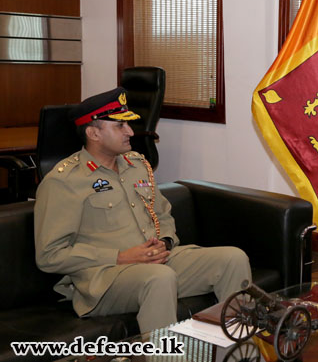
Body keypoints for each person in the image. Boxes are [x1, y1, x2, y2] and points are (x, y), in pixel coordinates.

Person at [34, 87, 251, 333]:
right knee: (158, 278)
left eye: (129, 125)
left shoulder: (136, 165)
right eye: (120, 126)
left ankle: (238, 348)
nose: (130, 131)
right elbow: (49, 255)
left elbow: (162, 214)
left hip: (157, 263)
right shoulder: (64, 181)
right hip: (106, 278)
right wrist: (120, 256)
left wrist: (166, 243)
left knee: (233, 259)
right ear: (93, 133)